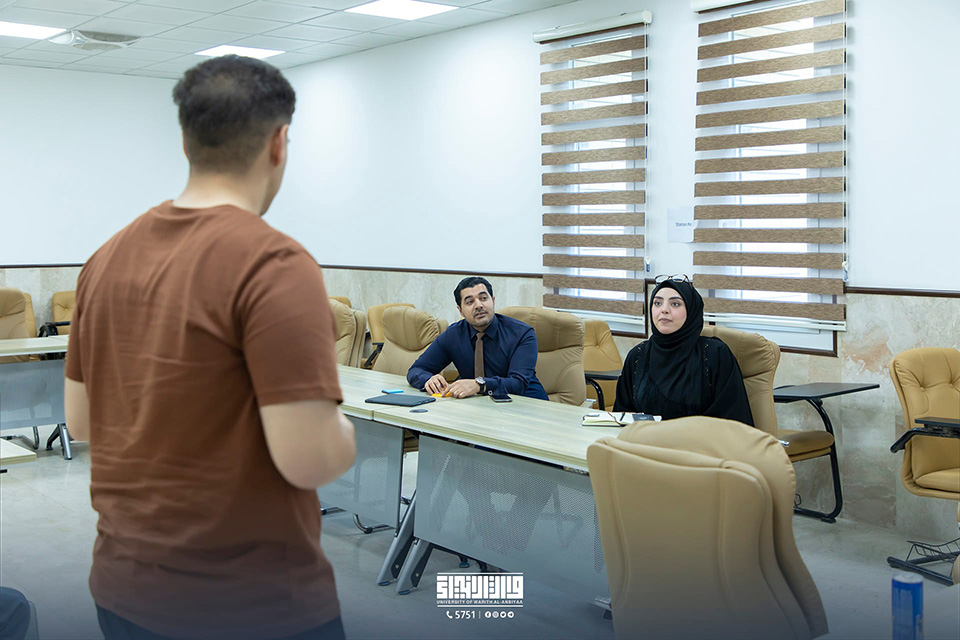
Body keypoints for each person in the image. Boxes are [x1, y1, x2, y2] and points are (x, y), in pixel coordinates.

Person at [63, 55, 355, 640]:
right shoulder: (275, 263)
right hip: (252, 606)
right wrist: (341, 427)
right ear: (279, 143)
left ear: (185, 142)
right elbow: (309, 459)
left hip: (124, 591)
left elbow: (83, 422)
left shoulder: (103, 260)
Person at [613, 278, 754, 425]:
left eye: (675, 304)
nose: (664, 309)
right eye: (657, 303)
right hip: (644, 438)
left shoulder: (715, 354)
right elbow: (621, 414)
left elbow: (732, 420)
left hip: (701, 439)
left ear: (691, 311)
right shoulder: (637, 355)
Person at [406, 276, 548, 400]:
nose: (479, 305)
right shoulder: (453, 334)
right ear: (460, 310)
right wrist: (428, 380)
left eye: (483, 298)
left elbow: (518, 383)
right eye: (470, 302)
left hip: (526, 404)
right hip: (479, 407)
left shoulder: (522, 334)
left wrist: (479, 385)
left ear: (493, 301)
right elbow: (416, 370)